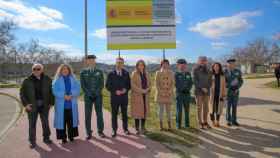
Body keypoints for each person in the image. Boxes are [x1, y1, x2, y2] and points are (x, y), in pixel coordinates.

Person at [20, 63, 54, 149]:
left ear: (42, 70)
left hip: (44, 105)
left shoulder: (47, 79)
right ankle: (32, 141)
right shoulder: (26, 80)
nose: (36, 71)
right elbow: (22, 93)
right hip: (32, 106)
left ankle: (46, 138)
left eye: (38, 69)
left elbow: (51, 91)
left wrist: (51, 102)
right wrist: (26, 104)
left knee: (45, 123)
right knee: (32, 124)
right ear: (32, 70)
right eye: (34, 69)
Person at [52, 64, 80, 144]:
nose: (65, 70)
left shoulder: (74, 79)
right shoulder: (57, 80)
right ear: (60, 71)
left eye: (66, 69)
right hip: (61, 104)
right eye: (63, 69)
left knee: (71, 121)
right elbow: (54, 91)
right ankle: (63, 137)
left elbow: (78, 89)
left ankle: (71, 136)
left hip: (72, 104)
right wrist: (63, 96)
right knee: (62, 121)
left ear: (69, 70)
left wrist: (71, 94)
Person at [80, 55, 105, 139]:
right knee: (87, 115)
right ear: (87, 61)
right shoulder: (83, 72)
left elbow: (102, 84)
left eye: (93, 60)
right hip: (88, 97)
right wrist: (89, 94)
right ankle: (88, 132)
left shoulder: (100, 71)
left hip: (98, 96)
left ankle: (100, 131)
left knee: (99, 114)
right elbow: (83, 85)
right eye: (89, 60)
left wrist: (97, 93)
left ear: (95, 61)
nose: (91, 62)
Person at [106, 57, 131, 137]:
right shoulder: (110, 74)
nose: (119, 64)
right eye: (118, 62)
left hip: (124, 98)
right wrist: (115, 91)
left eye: (121, 63)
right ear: (115, 63)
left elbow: (129, 85)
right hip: (114, 98)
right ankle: (114, 130)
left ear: (123, 64)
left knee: (124, 114)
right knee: (114, 115)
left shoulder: (126, 73)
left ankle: (125, 129)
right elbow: (107, 86)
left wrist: (125, 90)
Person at [131, 60, 151, 135]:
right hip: (137, 95)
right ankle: (137, 128)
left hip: (145, 96)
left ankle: (143, 127)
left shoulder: (147, 74)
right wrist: (142, 91)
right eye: (139, 65)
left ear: (144, 66)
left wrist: (148, 89)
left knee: (144, 111)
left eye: (142, 65)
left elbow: (150, 83)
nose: (141, 66)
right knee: (137, 112)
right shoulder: (134, 73)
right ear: (137, 66)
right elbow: (133, 85)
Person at [193, 56, 212, 129]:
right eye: (201, 60)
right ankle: (200, 122)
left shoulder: (209, 70)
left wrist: (207, 88)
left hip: (207, 92)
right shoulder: (195, 70)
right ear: (198, 61)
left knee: (206, 107)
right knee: (199, 107)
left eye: (205, 60)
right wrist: (202, 87)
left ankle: (205, 122)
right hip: (198, 91)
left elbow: (210, 81)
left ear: (206, 61)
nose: (203, 62)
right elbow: (195, 81)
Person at [155, 59, 175, 131]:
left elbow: (173, 83)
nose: (165, 65)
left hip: (169, 94)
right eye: (164, 63)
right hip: (160, 94)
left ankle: (169, 125)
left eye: (166, 63)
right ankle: (161, 125)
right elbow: (156, 84)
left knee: (169, 111)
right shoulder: (158, 73)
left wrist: (169, 91)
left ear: (168, 65)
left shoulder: (171, 73)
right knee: (161, 111)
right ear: (161, 64)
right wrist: (161, 92)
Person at [175, 59, 193, 129]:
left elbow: (191, 83)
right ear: (178, 65)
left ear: (185, 65)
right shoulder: (176, 74)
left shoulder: (188, 74)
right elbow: (176, 84)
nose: (182, 65)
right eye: (181, 64)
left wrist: (188, 89)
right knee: (179, 110)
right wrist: (182, 89)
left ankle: (187, 124)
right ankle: (178, 124)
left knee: (187, 110)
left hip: (187, 94)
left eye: (184, 64)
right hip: (179, 94)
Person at [225, 59, 243, 126]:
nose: (231, 65)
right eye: (230, 63)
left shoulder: (238, 71)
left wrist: (237, 87)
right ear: (227, 64)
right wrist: (228, 86)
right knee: (228, 107)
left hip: (235, 92)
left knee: (234, 106)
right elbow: (223, 82)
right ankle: (228, 120)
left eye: (233, 63)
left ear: (234, 64)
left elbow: (241, 80)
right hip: (228, 92)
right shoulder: (225, 71)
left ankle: (234, 120)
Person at [209, 63, 226, 127]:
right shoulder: (210, 75)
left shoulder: (222, 76)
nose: (216, 67)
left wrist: (224, 95)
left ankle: (217, 121)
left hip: (220, 95)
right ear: (213, 67)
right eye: (215, 66)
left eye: (217, 66)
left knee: (218, 109)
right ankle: (213, 121)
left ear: (219, 67)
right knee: (211, 109)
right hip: (212, 95)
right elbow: (208, 84)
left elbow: (224, 86)